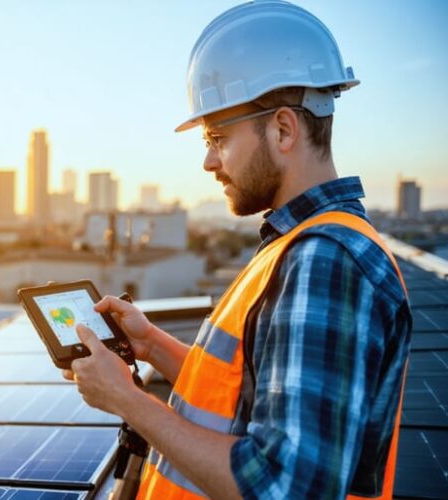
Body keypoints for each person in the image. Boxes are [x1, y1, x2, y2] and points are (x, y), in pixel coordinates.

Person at [64, 1, 412, 498]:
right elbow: (243, 398)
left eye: (218, 137)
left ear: (284, 129)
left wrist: (127, 402)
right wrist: (152, 345)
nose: (208, 161)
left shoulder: (326, 261)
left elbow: (282, 487)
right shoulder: (300, 244)